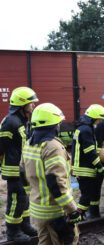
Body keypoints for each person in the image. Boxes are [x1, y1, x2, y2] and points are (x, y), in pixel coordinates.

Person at [20, 103, 81, 245]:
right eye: (58, 123)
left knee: (44, 242)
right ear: (54, 125)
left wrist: (32, 196)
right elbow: (56, 184)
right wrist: (72, 210)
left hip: (38, 210)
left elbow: (22, 173)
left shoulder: (29, 144)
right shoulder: (52, 147)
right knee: (69, 240)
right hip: (55, 212)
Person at [0, 87, 38, 242]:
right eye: (31, 103)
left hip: (23, 168)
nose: (34, 106)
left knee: (24, 199)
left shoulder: (22, 120)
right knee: (16, 199)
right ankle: (12, 231)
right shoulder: (10, 122)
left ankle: (24, 225)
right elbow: (1, 146)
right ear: (22, 104)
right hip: (14, 169)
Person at [72, 104, 104, 219]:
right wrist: (99, 166)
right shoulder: (86, 130)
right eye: (99, 119)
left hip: (82, 167)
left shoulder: (83, 127)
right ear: (94, 117)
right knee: (86, 196)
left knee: (90, 193)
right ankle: (76, 216)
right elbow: (90, 151)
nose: (100, 122)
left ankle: (90, 215)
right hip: (85, 168)